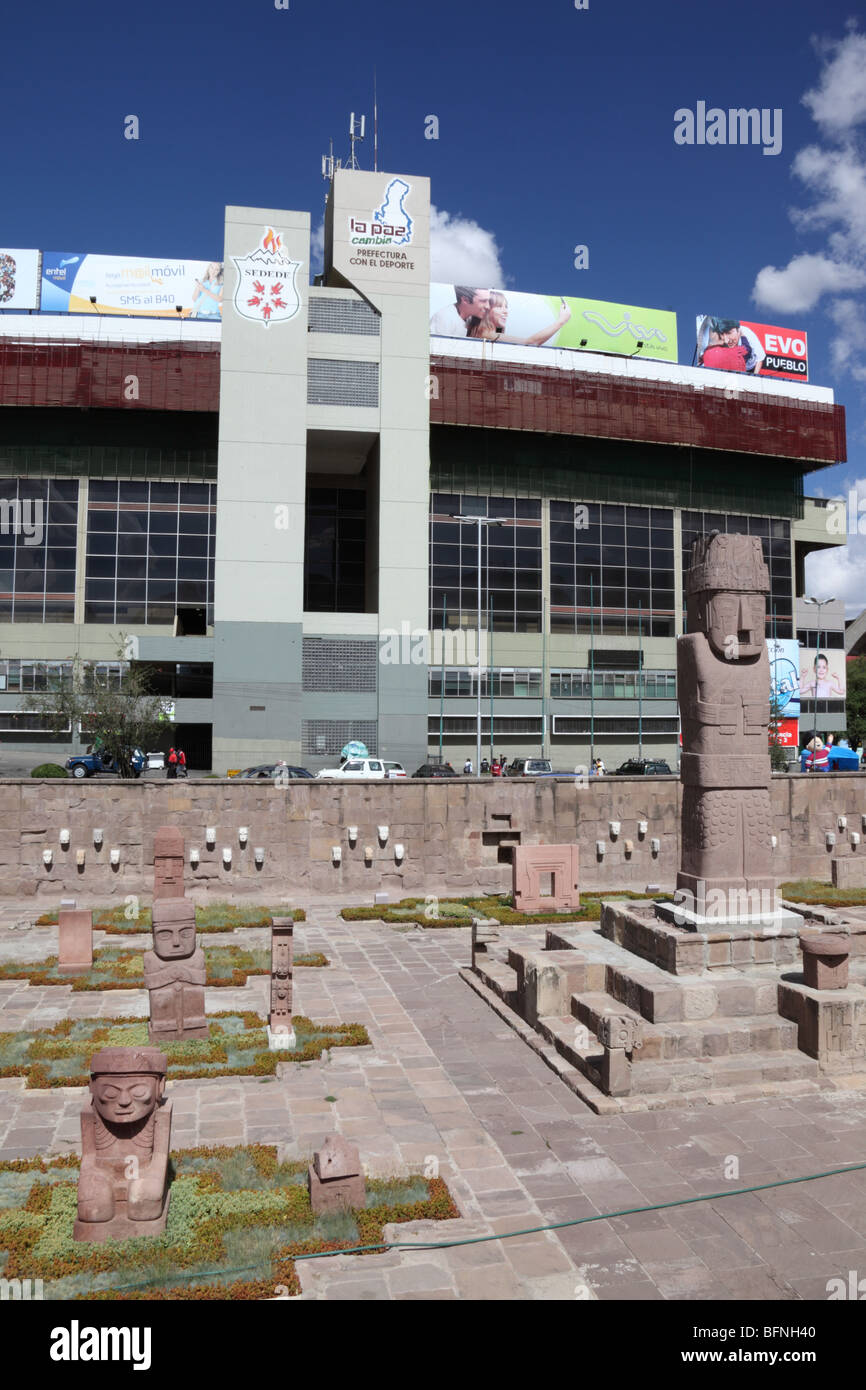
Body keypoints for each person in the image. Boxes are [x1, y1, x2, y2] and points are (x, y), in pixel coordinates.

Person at [467, 291, 572, 347]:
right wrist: (561, 321)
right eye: (499, 306)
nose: (505, 311)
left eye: (506, 306)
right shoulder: (488, 334)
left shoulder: (484, 333)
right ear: (487, 311)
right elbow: (531, 342)